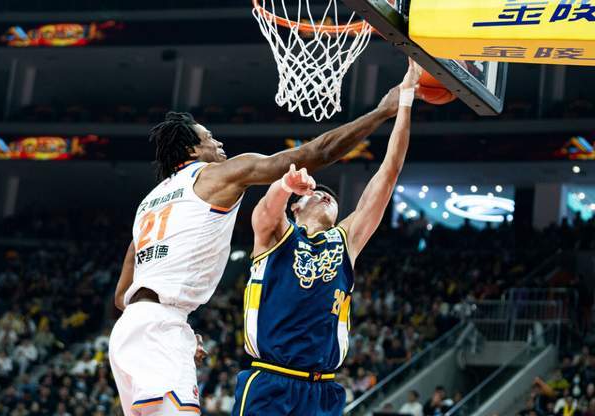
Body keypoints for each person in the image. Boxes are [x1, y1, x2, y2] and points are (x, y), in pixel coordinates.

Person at [109, 64, 407, 415]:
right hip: (172, 334)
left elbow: (122, 295)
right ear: (191, 151)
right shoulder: (216, 175)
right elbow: (314, 154)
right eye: (209, 138)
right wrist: (382, 112)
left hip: (132, 331)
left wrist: (171, 325)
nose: (219, 143)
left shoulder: (149, 203)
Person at [232, 60, 421, 416]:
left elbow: (389, 171)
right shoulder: (278, 235)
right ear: (295, 207)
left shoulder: (345, 241)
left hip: (324, 389)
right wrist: (284, 184)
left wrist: (406, 102)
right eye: (317, 192)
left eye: (331, 197)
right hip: (272, 381)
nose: (325, 195)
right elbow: (265, 212)